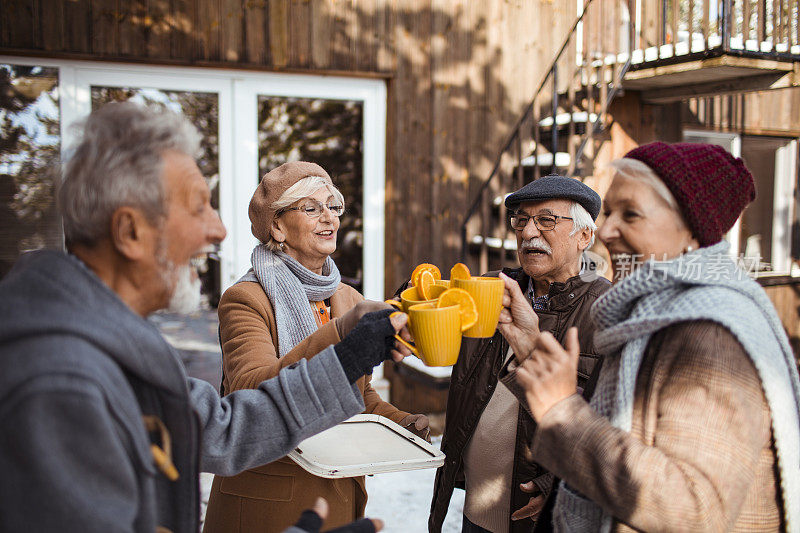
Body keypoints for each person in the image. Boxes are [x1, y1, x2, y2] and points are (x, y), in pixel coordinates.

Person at [0, 102, 413, 533]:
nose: (218, 229)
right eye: (199, 207)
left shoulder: (117, 348)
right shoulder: (58, 382)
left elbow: (229, 429)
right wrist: (344, 341)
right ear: (130, 232)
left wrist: (352, 355)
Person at [502, 142, 800, 531]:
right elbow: (627, 430)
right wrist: (529, 348)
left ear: (692, 231)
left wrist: (564, 415)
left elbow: (695, 510)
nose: (605, 231)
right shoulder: (652, 314)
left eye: (631, 214)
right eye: (609, 212)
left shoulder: (709, 335)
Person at [203, 161, 429, 533]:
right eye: (311, 208)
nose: (330, 218)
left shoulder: (346, 297)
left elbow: (358, 392)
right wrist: (342, 333)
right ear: (276, 225)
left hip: (338, 488)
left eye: (333, 206)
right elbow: (252, 390)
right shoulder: (245, 299)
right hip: (270, 501)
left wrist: (401, 422)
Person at [429, 175, 611, 533]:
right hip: (476, 505)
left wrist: (561, 486)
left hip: (537, 514)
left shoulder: (605, 311)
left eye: (546, 220)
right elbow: (430, 305)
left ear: (584, 237)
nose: (528, 233)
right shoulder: (488, 289)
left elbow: (611, 422)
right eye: (521, 220)